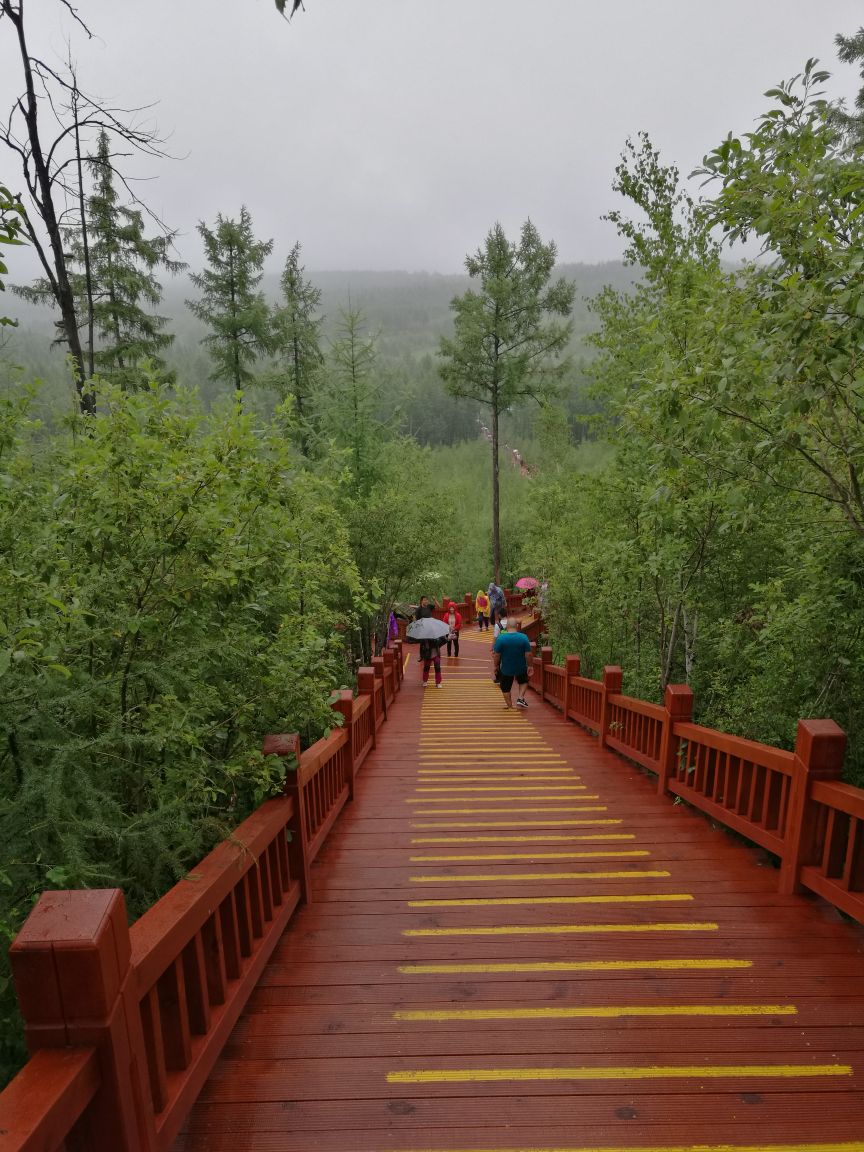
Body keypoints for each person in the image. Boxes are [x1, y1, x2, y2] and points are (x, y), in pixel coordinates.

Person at [492, 617, 532, 709]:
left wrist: (495, 666)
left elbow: (497, 655)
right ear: (516, 626)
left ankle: (510, 707)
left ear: (507, 627)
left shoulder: (501, 638)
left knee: (505, 687)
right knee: (524, 681)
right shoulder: (523, 637)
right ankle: (520, 697)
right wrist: (530, 666)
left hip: (506, 668)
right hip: (521, 666)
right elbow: (528, 654)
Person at [414, 596, 443, 688]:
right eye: (424, 600)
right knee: (424, 644)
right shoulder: (419, 609)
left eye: (427, 600)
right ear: (421, 601)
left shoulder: (429, 607)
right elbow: (416, 619)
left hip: (430, 627)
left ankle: (438, 682)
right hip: (423, 627)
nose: (426, 601)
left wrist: (435, 600)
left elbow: (439, 607)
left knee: (437, 665)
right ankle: (422, 655)